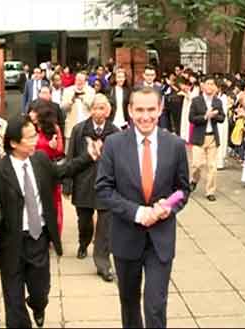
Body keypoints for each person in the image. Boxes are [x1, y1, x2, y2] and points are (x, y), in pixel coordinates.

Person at [0, 115, 99, 328]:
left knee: (40, 290)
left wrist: (88, 157)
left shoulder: (40, 160)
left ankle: (38, 306)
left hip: (38, 239)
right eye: (29, 137)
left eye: (35, 135)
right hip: (11, 242)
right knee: (13, 301)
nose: (36, 140)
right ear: (14, 143)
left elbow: (63, 170)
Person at [95, 87, 190, 328]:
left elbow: (183, 190)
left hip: (161, 240)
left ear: (160, 109)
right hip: (126, 237)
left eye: (151, 110)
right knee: (129, 303)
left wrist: (170, 207)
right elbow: (104, 190)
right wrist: (137, 213)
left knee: (156, 306)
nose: (145, 116)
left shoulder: (175, 145)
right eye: (139, 110)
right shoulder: (114, 144)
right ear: (129, 110)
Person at [64, 94, 119, 282]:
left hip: (106, 185)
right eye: (95, 108)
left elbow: (121, 162)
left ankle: (103, 263)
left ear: (108, 111)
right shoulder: (80, 130)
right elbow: (70, 159)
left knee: (105, 226)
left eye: (102, 108)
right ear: (91, 110)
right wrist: (67, 185)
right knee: (84, 221)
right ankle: (83, 242)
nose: (98, 112)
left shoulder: (115, 132)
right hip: (84, 183)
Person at [29, 102, 65, 236]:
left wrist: (53, 147)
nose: (30, 114)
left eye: (34, 111)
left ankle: (53, 233)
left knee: (53, 203)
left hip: (49, 171)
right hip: (32, 169)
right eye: (30, 111)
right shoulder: (29, 128)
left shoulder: (54, 128)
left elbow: (60, 151)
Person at [189, 75, 225, 201]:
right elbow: (191, 118)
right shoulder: (196, 101)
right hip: (199, 137)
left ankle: (210, 191)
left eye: (212, 84)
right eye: (207, 84)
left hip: (212, 137)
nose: (210, 86)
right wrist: (205, 116)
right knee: (196, 164)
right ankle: (194, 179)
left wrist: (214, 116)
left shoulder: (217, 101)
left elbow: (222, 118)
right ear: (202, 85)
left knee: (212, 166)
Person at [61, 71, 96, 145]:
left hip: (86, 127)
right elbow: (63, 108)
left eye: (81, 80)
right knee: (70, 153)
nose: (79, 82)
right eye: (77, 80)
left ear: (85, 81)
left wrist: (82, 98)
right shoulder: (67, 90)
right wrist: (71, 101)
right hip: (71, 127)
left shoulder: (91, 91)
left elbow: (91, 105)